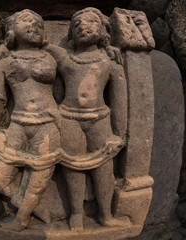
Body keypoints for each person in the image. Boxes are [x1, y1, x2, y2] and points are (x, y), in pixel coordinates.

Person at [43, 7, 127, 230]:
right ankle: (76, 214)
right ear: (71, 33)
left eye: (90, 22)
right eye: (77, 24)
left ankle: (105, 214)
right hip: (69, 118)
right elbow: (37, 43)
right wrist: (5, 46)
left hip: (99, 119)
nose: (82, 26)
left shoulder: (110, 61)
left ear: (103, 31)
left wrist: (119, 133)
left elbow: (119, 101)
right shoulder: (65, 57)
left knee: (104, 168)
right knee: (73, 167)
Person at [0, 9, 60, 231]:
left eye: (38, 23)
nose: (34, 25)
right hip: (17, 125)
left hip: (47, 124)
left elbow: (76, 78)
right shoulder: (4, 63)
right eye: (26, 20)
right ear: (11, 29)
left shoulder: (52, 58)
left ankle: (21, 219)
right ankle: (29, 206)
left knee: (38, 179)